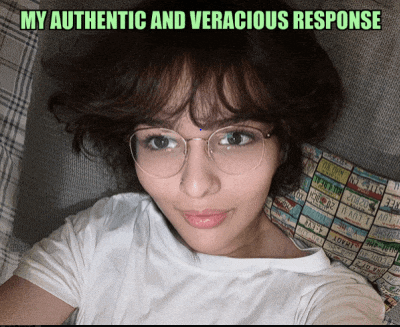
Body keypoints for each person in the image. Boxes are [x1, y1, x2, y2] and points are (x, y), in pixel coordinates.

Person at [0, 0, 385, 324]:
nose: (196, 185)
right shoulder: (100, 236)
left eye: (235, 138)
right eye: (161, 141)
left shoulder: (327, 301)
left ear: (283, 143)